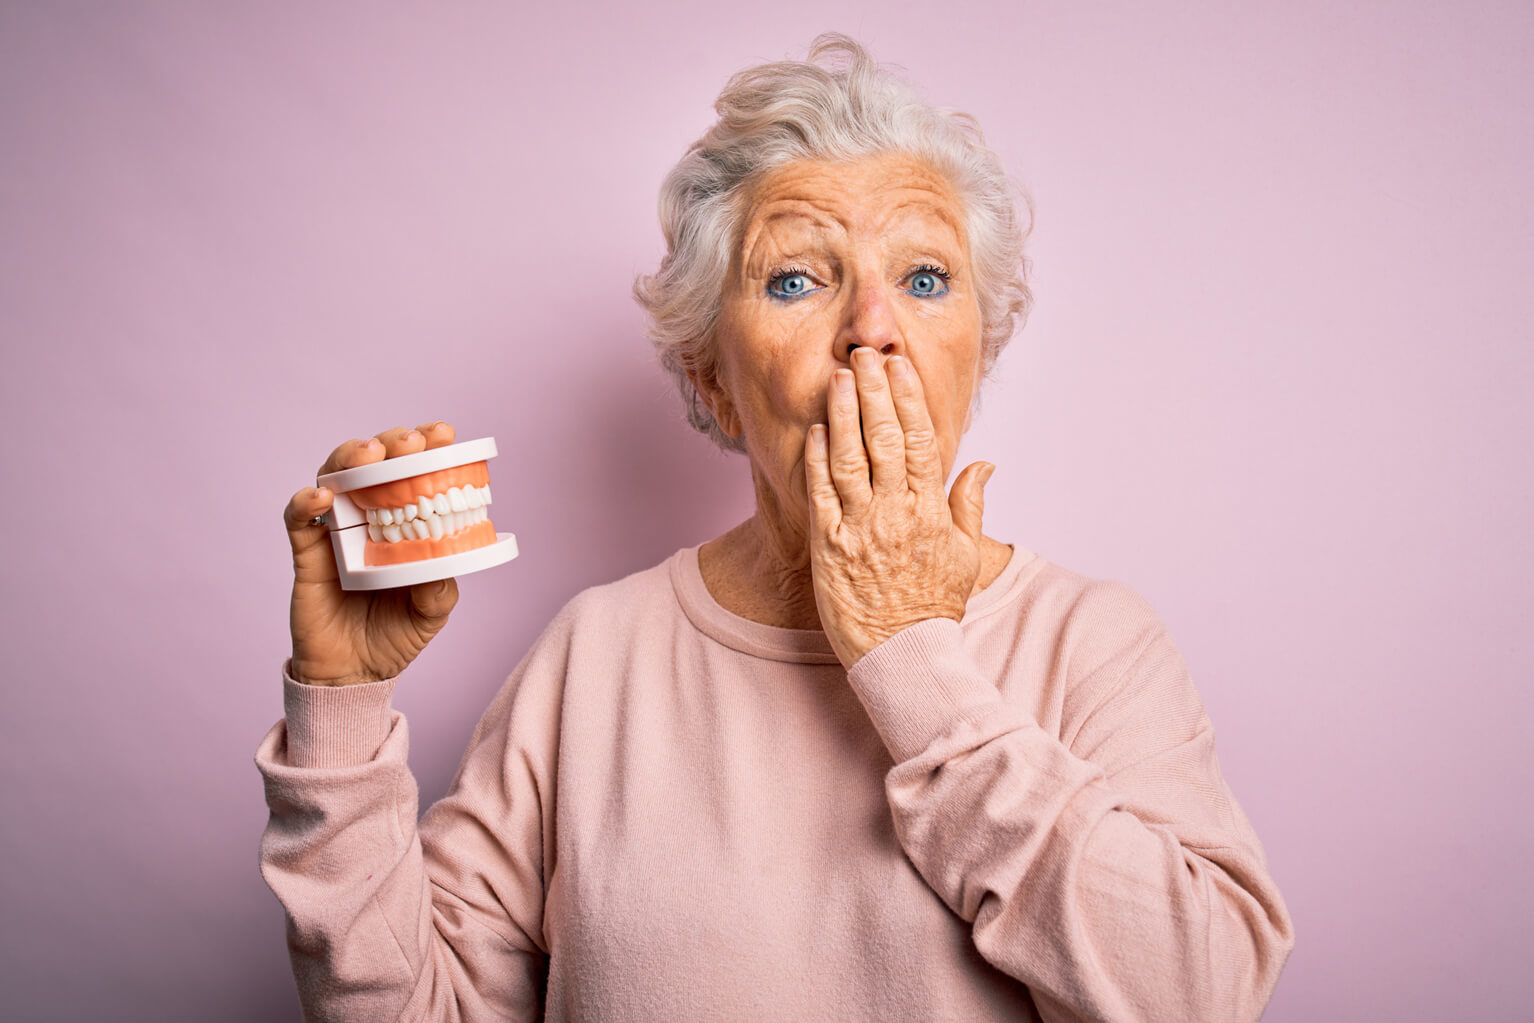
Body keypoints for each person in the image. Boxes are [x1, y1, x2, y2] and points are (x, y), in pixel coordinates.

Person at [258, 33, 1294, 1022]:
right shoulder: (594, 658)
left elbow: (1198, 998)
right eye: (796, 278)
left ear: (976, 355)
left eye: (924, 279)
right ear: (712, 378)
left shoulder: (1093, 643)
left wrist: (911, 653)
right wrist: (341, 713)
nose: (872, 329)